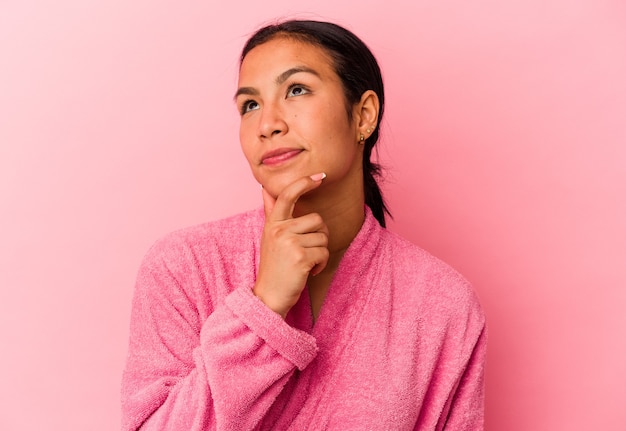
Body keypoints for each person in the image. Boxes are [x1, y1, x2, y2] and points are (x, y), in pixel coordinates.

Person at [121, 19, 487, 430]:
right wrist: (262, 306)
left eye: (296, 90)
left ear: (363, 115)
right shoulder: (182, 266)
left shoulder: (443, 304)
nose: (267, 124)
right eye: (250, 105)